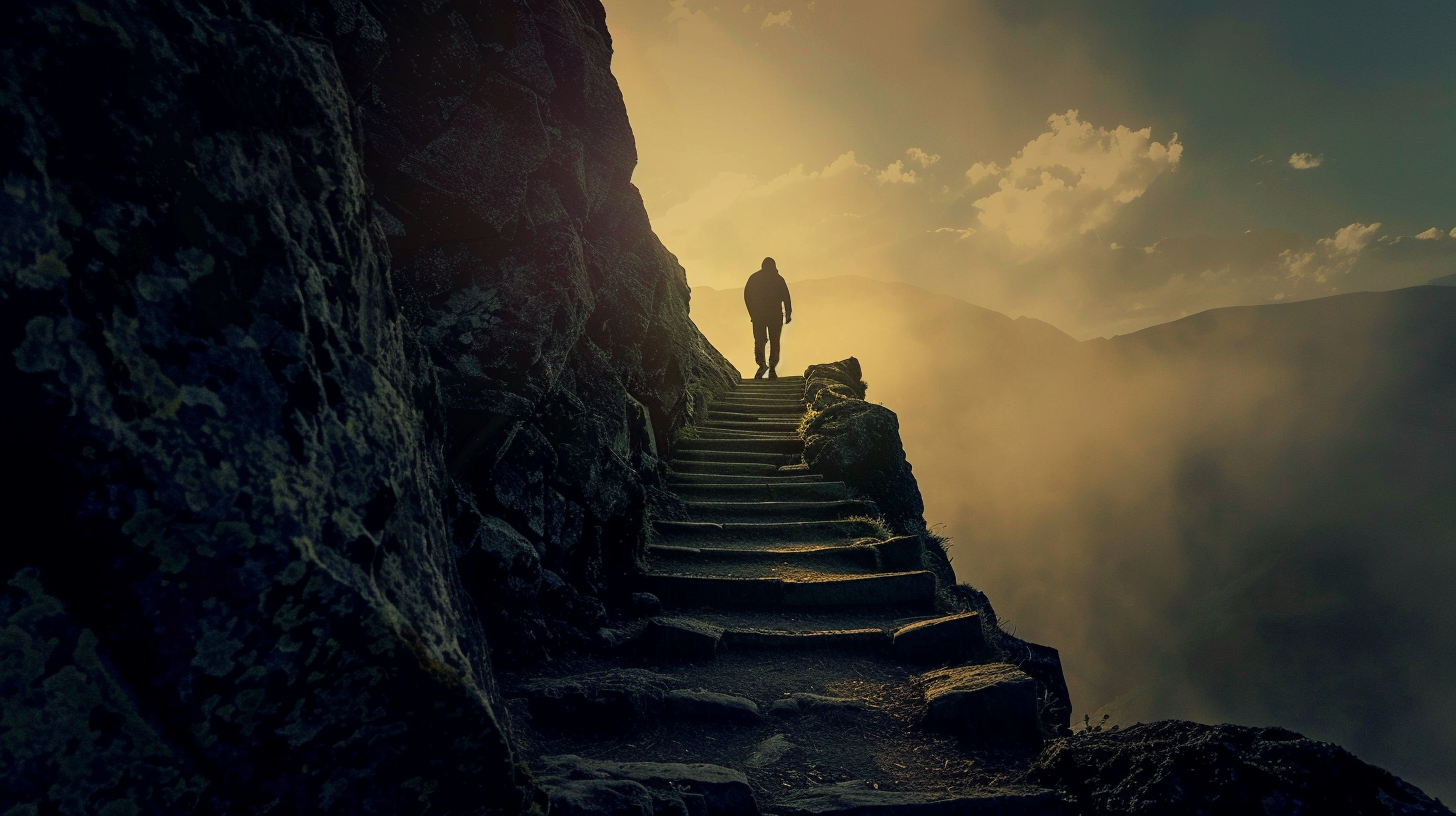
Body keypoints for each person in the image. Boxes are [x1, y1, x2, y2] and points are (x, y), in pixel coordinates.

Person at [743, 257, 792, 379]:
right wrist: (788, 314)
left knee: (760, 340)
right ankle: (771, 368)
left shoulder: (754, 278)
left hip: (759, 316)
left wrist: (752, 314)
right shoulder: (778, 279)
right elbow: (786, 298)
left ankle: (763, 366)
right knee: (774, 341)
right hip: (774, 316)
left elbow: (747, 297)